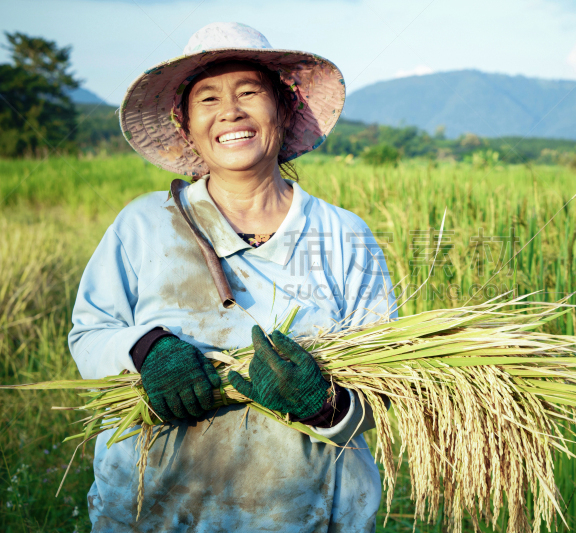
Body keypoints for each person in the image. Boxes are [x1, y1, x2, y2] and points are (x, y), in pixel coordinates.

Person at [68, 22, 396, 532]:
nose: (231, 112)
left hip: (306, 512)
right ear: (186, 124)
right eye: (208, 98)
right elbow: (89, 337)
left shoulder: (342, 234)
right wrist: (147, 350)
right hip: (157, 508)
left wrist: (322, 404)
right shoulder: (144, 224)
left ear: (283, 111)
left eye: (249, 92)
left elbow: (386, 386)